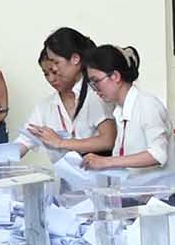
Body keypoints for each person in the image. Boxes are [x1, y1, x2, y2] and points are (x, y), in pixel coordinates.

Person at [78, 45, 175, 184]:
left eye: (96, 82)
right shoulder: (119, 111)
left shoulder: (147, 104)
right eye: (91, 84)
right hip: (137, 196)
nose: (95, 90)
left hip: (163, 197)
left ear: (115, 76)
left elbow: (158, 155)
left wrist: (106, 161)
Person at [17, 29, 116, 160]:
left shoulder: (96, 94)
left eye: (55, 65)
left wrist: (61, 143)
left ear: (75, 59)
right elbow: (24, 140)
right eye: (46, 73)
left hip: (98, 176)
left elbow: (108, 140)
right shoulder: (45, 106)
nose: (51, 78)